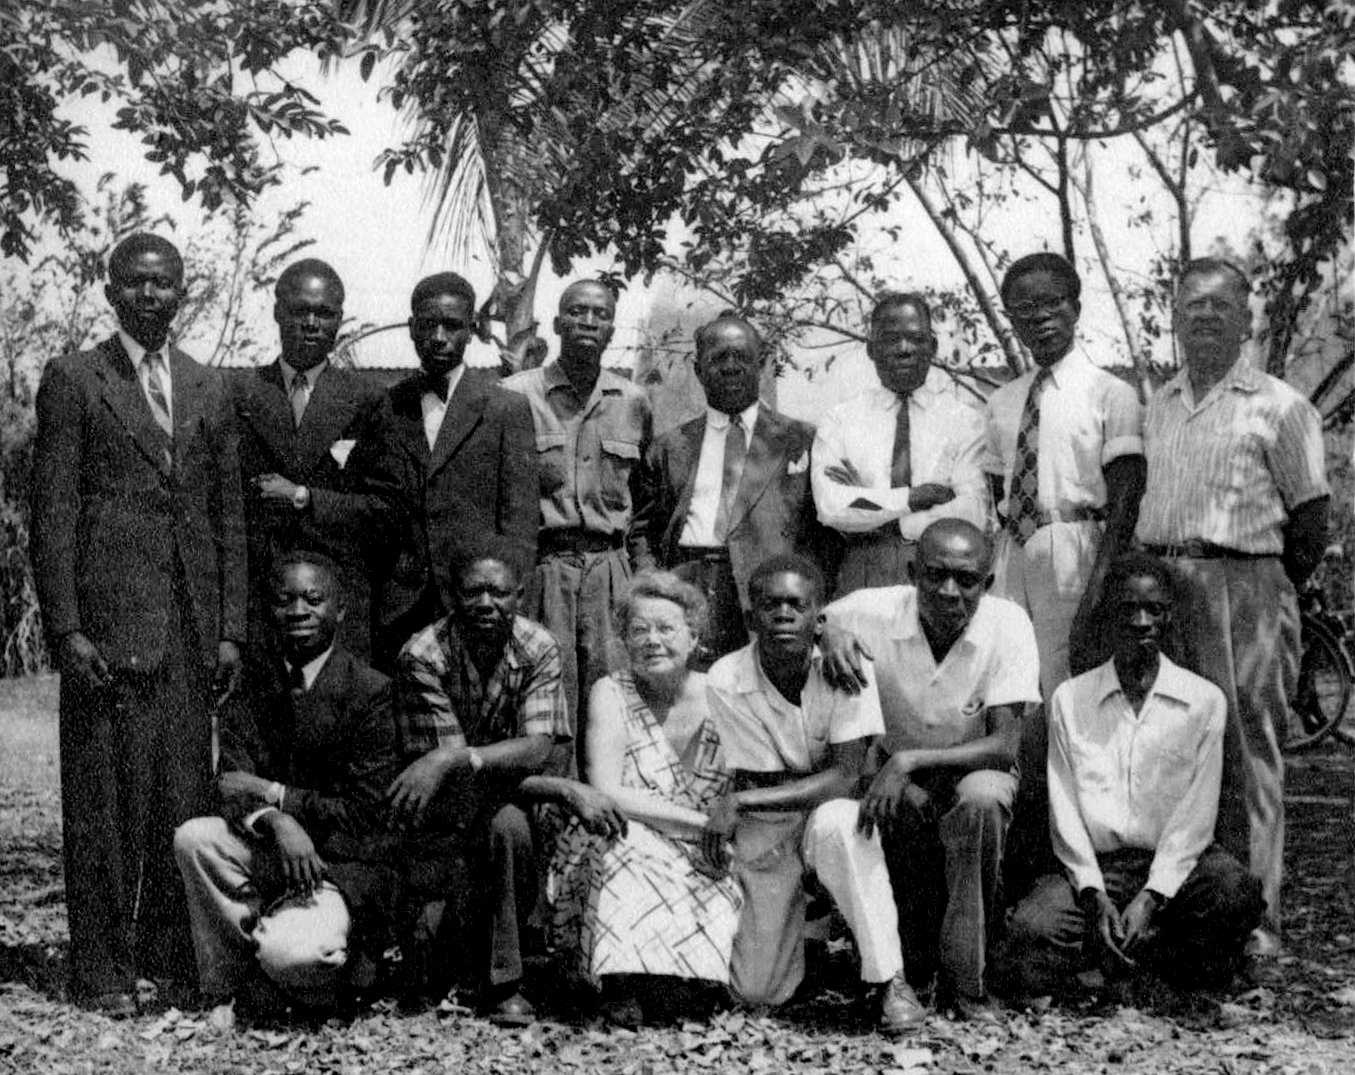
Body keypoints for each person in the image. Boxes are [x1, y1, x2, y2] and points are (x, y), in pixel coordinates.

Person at [29, 233, 247, 1015]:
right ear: (112, 289)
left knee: (180, 798)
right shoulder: (74, 379)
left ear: (181, 290)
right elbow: (50, 512)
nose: (151, 296)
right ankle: (102, 969)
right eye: (137, 283)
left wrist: (230, 631)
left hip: (189, 631)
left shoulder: (206, 385)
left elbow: (228, 515)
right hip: (109, 630)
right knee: (103, 804)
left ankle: (168, 951)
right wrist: (65, 628)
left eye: (165, 283)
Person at [1136, 258, 1330, 957]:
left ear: (1245, 318)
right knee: (1170, 746)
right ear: (1175, 317)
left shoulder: (1280, 405)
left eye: (1221, 305)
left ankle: (1255, 919)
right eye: (1192, 306)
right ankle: (1180, 915)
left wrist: (1260, 583)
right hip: (1161, 588)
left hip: (1242, 582)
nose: (1205, 316)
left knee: (1246, 749)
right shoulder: (1157, 402)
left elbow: (1310, 523)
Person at [993, 553, 1264, 998]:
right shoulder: (1070, 700)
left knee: (1233, 894)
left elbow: (1195, 821)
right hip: (1097, 869)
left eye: (1153, 609)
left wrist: (1152, 897)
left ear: (1169, 615)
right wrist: (1093, 893)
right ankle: (1129, 960)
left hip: (1177, 869)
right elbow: (1065, 813)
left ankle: (1134, 962)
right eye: (1128, 609)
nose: (1141, 622)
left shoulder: (1203, 701)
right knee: (1030, 931)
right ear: (1107, 616)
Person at [820, 519, 1040, 1019]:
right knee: (881, 810)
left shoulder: (1009, 624)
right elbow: (811, 614)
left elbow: (1004, 746)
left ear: (987, 582)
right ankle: (903, 969)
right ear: (911, 572)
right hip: (894, 773)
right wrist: (827, 632)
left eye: (966, 580)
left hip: (972, 766)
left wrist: (908, 761)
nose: (949, 591)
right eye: (935, 575)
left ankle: (968, 983)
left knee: (982, 800)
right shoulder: (874, 609)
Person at [173, 551, 400, 1016]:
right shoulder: (251, 686)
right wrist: (277, 819)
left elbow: (364, 812)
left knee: (296, 955)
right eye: (284, 600)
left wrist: (278, 795)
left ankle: (317, 971)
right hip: (272, 851)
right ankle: (231, 985)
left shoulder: (371, 691)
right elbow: (232, 785)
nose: (298, 611)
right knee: (195, 838)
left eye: (313, 599)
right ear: (268, 611)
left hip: (337, 865)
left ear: (340, 610)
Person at [982, 252, 1145, 893]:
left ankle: (1092, 864)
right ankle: (1028, 865)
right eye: (1024, 310)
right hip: (1012, 550)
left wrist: (1101, 587)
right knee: (1014, 700)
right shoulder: (1003, 401)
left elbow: (1126, 493)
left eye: (1052, 304)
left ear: (1076, 307)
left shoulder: (1110, 392)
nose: (1039, 318)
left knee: (1072, 702)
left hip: (1078, 542)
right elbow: (992, 484)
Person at [703, 554, 917, 1033]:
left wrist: (738, 802)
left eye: (796, 605)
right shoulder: (726, 678)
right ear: (748, 617)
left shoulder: (845, 664)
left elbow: (844, 776)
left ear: (818, 617)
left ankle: (890, 980)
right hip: (772, 824)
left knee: (843, 824)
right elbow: (763, 778)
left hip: (816, 811)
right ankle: (809, 943)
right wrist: (750, 799)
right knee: (755, 993)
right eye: (770, 605)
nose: (783, 615)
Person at [549, 570, 742, 1026]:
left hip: (708, 848)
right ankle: (621, 981)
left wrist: (712, 830)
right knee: (625, 843)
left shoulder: (724, 692)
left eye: (666, 629)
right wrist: (698, 823)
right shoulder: (611, 692)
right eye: (639, 630)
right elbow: (609, 792)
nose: (652, 641)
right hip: (630, 833)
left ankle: (682, 983)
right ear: (623, 639)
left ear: (694, 637)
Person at [388, 554, 571, 1025]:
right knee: (430, 935)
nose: (485, 604)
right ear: (452, 597)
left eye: (499, 593)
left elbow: (537, 746)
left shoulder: (538, 646)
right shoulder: (423, 654)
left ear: (520, 597)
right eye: (472, 593)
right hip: (441, 808)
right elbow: (450, 780)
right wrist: (458, 762)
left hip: (508, 797)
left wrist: (457, 755)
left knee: (509, 825)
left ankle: (505, 982)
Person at [501, 280, 653, 725]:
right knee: (547, 695)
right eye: (577, 311)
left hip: (611, 571)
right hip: (545, 569)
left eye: (601, 314)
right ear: (557, 323)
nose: (589, 321)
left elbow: (644, 504)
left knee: (614, 694)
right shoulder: (516, 395)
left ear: (611, 329)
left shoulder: (634, 402)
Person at [234, 258, 399, 663]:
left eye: (323, 313)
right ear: (277, 312)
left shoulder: (368, 400)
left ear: (339, 320)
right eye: (298, 310)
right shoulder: (239, 394)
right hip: (264, 600)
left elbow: (385, 511)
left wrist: (304, 497)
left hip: (338, 600)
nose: (310, 323)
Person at [639, 314, 825, 667]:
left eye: (741, 356)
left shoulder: (801, 441)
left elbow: (821, 537)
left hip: (768, 596)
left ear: (763, 362)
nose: (730, 367)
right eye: (718, 358)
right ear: (698, 369)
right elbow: (644, 529)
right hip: (687, 589)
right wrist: (656, 588)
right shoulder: (671, 446)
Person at [377, 272, 538, 672]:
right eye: (427, 324)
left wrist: (508, 603)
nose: (438, 336)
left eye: (452, 326)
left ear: (471, 331)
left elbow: (519, 522)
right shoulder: (387, 406)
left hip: (477, 604)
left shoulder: (505, 408)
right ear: (412, 328)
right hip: (401, 606)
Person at [812, 292, 988, 594]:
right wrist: (912, 498)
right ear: (871, 349)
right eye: (891, 340)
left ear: (932, 347)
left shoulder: (963, 421)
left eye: (916, 339)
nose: (904, 349)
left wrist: (877, 508)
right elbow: (832, 505)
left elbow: (970, 511)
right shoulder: (841, 420)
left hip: (938, 569)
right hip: (864, 567)